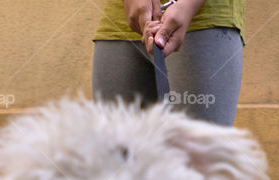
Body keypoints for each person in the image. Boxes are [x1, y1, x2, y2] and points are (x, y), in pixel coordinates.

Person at [92, 0, 246, 125]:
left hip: (203, 16)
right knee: (115, 156)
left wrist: (188, 5)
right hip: (122, 16)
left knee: (196, 160)